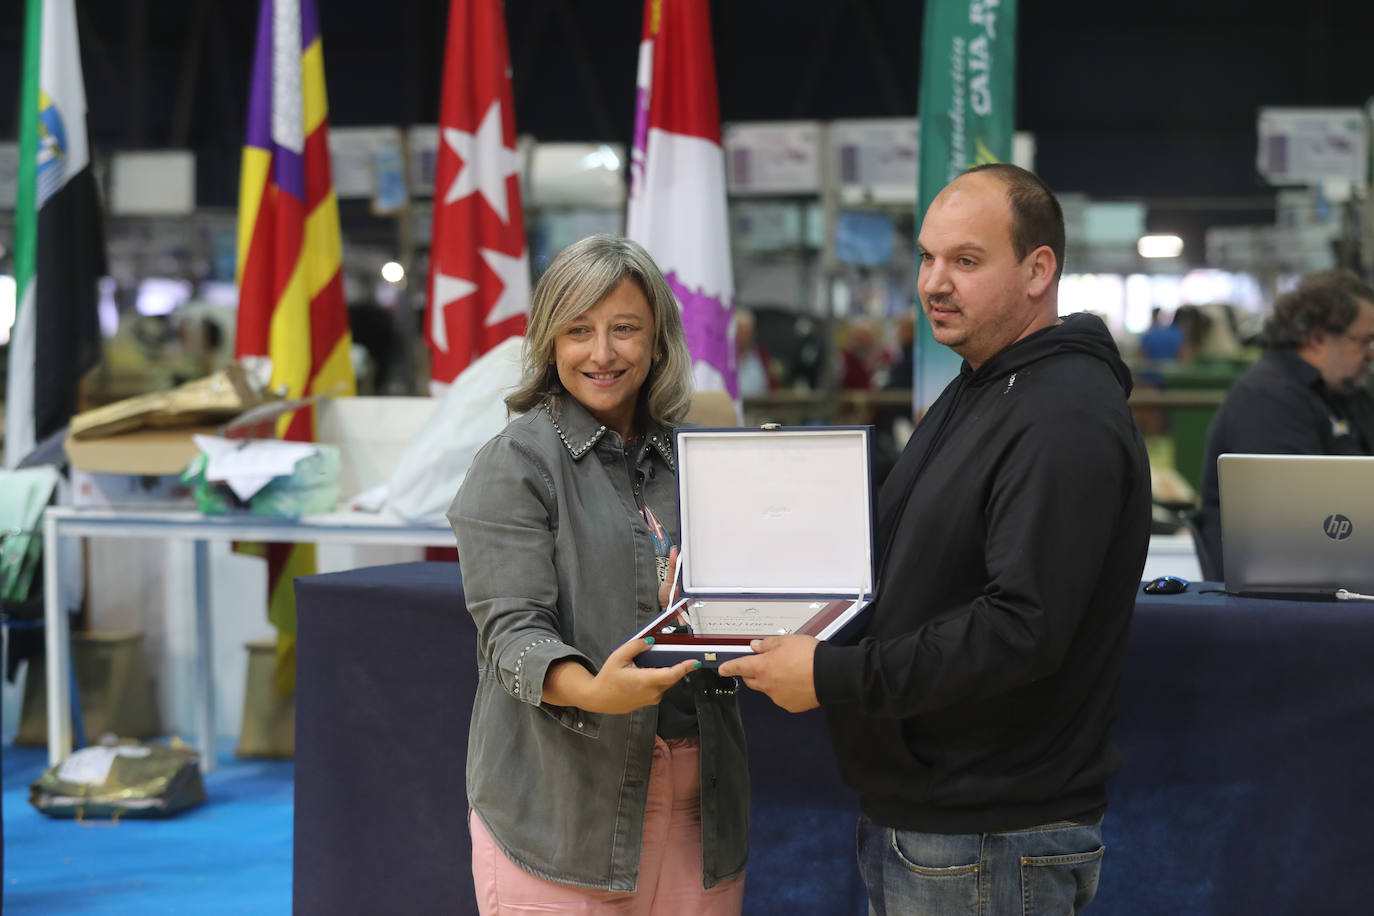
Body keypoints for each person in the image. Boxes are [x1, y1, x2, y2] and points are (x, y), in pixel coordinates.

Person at [719, 164, 1152, 915]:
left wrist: (834, 677)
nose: (933, 283)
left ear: (1038, 269)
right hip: (933, 819)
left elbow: (1021, 628)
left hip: (990, 834)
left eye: (966, 260)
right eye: (926, 257)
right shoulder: (983, 384)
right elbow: (905, 562)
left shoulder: (1062, 417)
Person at [448, 235, 748, 914]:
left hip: (704, 806)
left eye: (624, 329)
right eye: (579, 330)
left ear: (659, 340)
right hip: (561, 814)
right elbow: (511, 633)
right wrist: (593, 689)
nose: (603, 353)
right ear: (551, 342)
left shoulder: (697, 460)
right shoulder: (515, 462)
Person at [1197, 270, 1374, 577]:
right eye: (1364, 341)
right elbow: (1306, 519)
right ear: (1317, 339)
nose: (1371, 353)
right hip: (1285, 592)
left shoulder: (1343, 391)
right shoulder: (1268, 399)